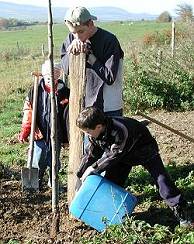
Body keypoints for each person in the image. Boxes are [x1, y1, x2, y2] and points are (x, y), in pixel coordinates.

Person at [76, 106, 193, 227]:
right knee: (111, 185)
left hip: (144, 151)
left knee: (162, 181)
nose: (87, 134)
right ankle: (110, 217)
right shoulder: (94, 134)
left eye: (88, 131)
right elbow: (91, 154)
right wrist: (81, 175)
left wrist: (93, 168)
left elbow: (114, 155)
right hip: (123, 157)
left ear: (99, 126)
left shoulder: (120, 130)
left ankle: (183, 214)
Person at [61, 6, 124, 117]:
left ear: (90, 24)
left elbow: (109, 78)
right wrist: (70, 54)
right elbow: (66, 70)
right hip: (85, 106)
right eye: (73, 32)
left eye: (81, 31)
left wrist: (89, 55)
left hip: (109, 107)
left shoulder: (109, 40)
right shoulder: (71, 39)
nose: (77, 37)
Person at [18, 60, 70, 189]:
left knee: (54, 161)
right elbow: (28, 113)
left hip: (56, 134)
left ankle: (53, 182)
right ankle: (35, 183)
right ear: (43, 76)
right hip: (40, 133)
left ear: (58, 76)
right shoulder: (35, 92)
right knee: (38, 159)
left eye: (54, 76)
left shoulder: (65, 92)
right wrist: (25, 130)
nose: (50, 79)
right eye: (47, 77)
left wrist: (67, 137)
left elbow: (68, 117)